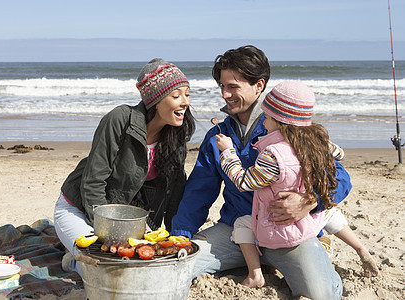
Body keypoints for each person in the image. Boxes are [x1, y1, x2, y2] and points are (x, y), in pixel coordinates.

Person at [170, 45, 352, 299]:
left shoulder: (291, 130)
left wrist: (310, 201)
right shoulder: (217, 137)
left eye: (233, 86)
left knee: (322, 294)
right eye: (222, 86)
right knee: (176, 267)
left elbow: (340, 178)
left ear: (259, 85)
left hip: (286, 233)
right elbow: (198, 192)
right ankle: (252, 263)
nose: (225, 94)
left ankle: (310, 251)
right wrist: (180, 236)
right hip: (237, 232)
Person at [215, 80, 378, 289]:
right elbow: (340, 154)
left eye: (267, 117)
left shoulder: (272, 155)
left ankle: (255, 274)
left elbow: (244, 182)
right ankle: (361, 249)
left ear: (280, 121)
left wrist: (228, 152)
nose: (263, 122)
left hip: (281, 226)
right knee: (329, 212)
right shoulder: (317, 143)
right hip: (309, 218)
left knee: (242, 224)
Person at [54, 58, 195, 274]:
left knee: (139, 269)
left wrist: (175, 238)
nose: (185, 102)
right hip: (80, 209)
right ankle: (73, 261)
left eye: (187, 94)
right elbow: (93, 181)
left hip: (126, 221)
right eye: (176, 96)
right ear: (156, 100)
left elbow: (174, 193)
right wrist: (107, 235)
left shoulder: (175, 136)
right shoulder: (119, 120)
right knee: (105, 270)